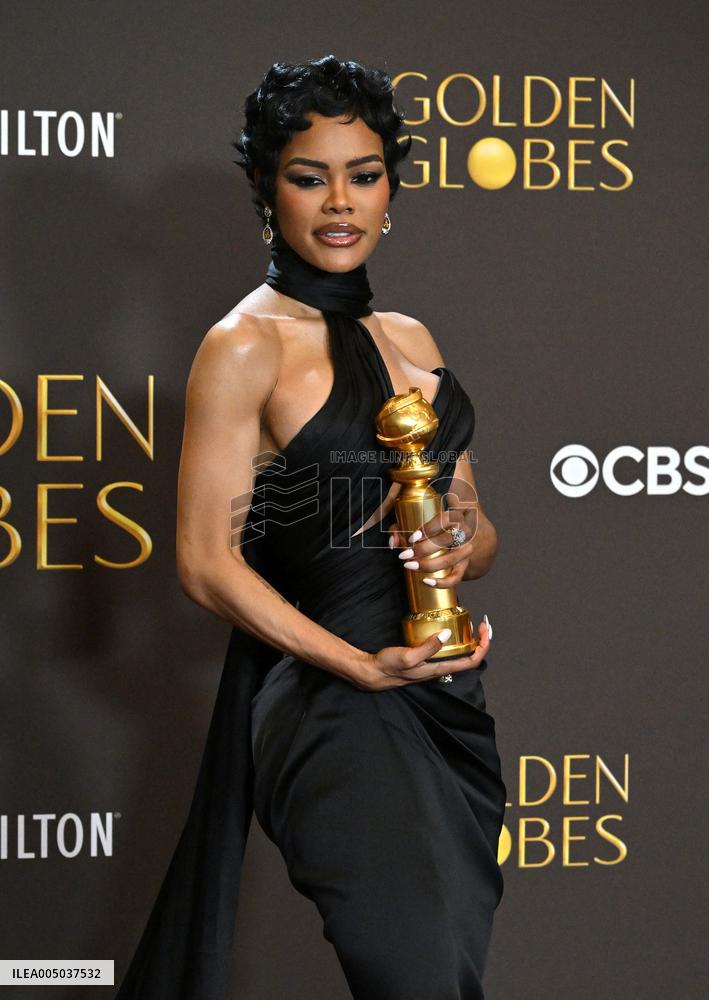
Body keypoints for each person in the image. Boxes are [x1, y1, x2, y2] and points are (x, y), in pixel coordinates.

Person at [116, 55, 507, 1000]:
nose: (339, 202)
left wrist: (461, 536)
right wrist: (357, 666)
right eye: (308, 177)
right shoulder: (242, 346)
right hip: (333, 709)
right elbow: (205, 564)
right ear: (267, 192)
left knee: (446, 975)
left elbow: (479, 531)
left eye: (362, 175)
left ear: (389, 191)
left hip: (445, 704)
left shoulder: (412, 340)